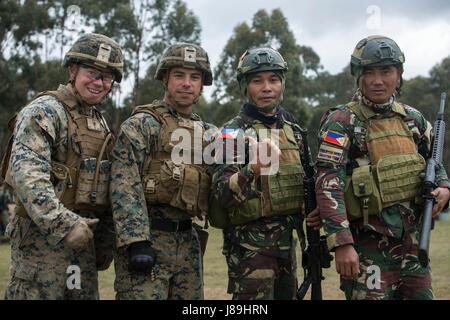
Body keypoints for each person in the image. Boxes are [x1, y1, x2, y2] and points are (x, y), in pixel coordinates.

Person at [315, 35, 450, 300]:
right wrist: (342, 243)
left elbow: (435, 163)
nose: (378, 81)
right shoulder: (341, 121)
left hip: (413, 248)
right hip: (367, 249)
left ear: (398, 74)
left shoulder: (413, 119)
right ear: (358, 76)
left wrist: (444, 188)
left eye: (386, 71)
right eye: (369, 72)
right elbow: (328, 182)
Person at [2, 33, 123, 300]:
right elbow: (28, 177)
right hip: (41, 248)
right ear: (72, 70)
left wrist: (103, 239)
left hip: (81, 248)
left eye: (106, 77)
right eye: (91, 72)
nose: (98, 82)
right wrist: (64, 224)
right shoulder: (45, 111)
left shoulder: (98, 122)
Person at [210, 47, 321, 300]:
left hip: (287, 245)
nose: (266, 87)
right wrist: (254, 168)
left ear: (282, 84)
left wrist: (309, 205)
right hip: (249, 251)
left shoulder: (294, 131)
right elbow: (221, 195)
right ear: (245, 87)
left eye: (273, 80)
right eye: (257, 81)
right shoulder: (232, 133)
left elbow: (308, 180)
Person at [111, 42, 215, 300]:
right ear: (166, 79)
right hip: (148, 242)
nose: (186, 84)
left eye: (194, 77)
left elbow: (223, 182)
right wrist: (136, 240)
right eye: (179, 75)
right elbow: (124, 184)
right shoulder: (142, 125)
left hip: (189, 243)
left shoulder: (209, 133)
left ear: (202, 84)